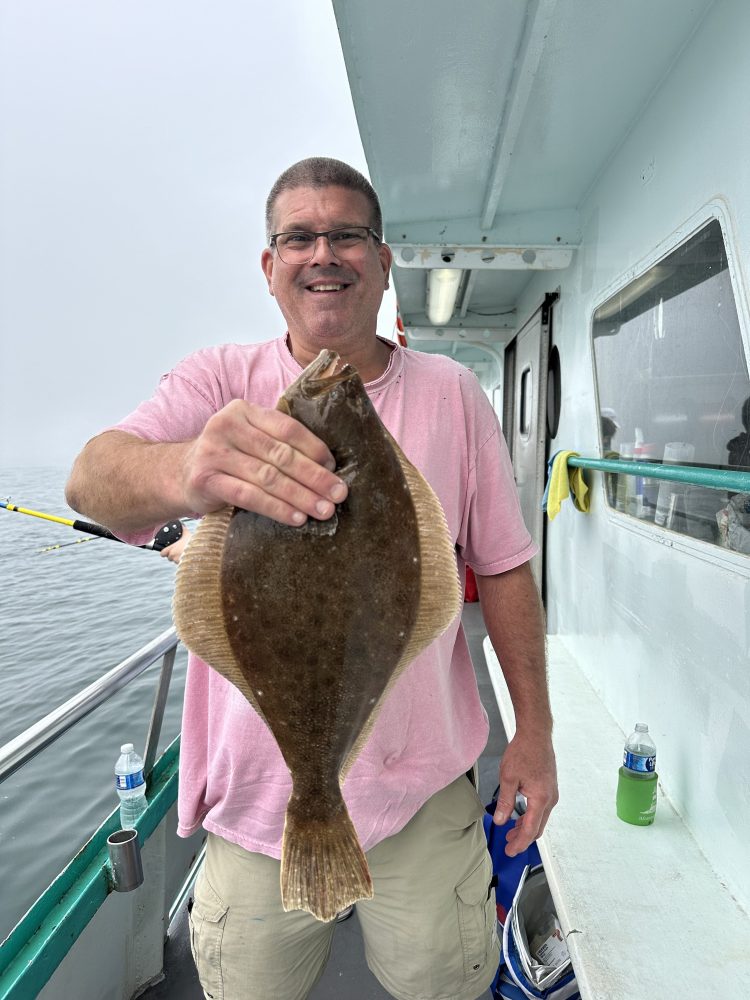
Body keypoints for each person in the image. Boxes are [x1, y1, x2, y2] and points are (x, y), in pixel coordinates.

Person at [66, 157, 557, 1000]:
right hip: (259, 803)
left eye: (347, 235)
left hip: (423, 790)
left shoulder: (451, 394)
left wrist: (534, 732)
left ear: (383, 258)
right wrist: (192, 468)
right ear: (269, 266)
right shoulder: (219, 383)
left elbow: (504, 566)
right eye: (299, 237)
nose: (323, 253)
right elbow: (90, 482)